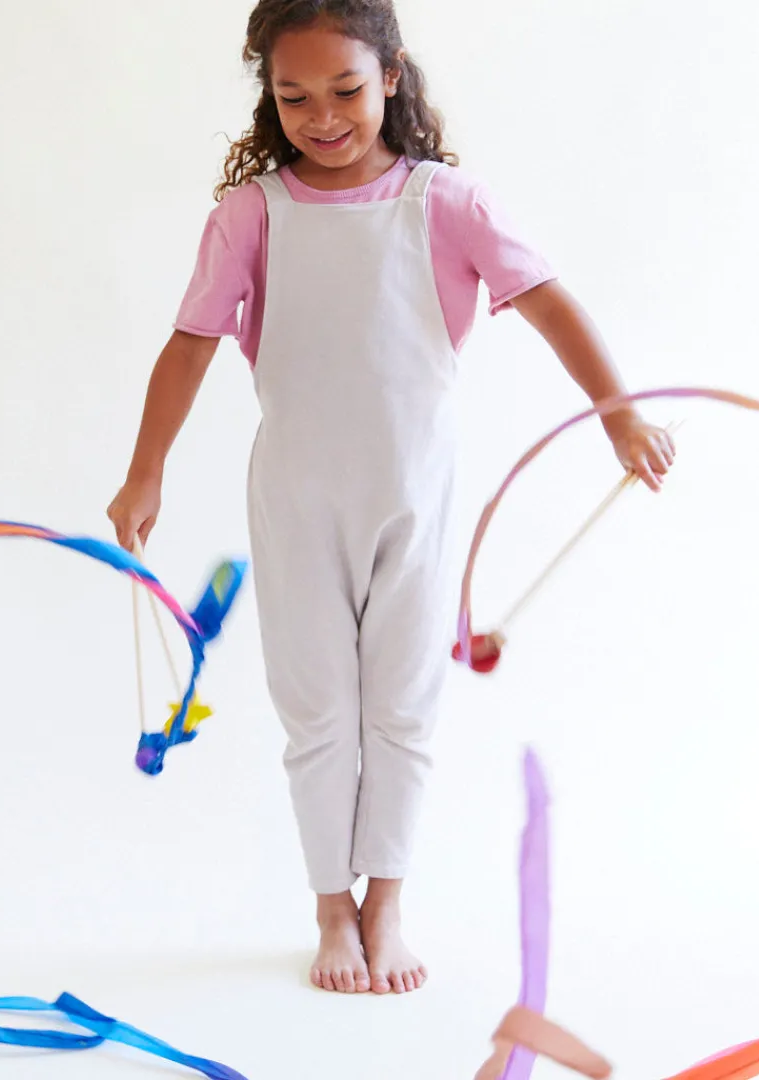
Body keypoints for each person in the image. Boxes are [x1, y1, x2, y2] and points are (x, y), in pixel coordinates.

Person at [107, 0, 675, 997]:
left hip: (416, 495)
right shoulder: (252, 214)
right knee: (319, 709)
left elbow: (549, 302)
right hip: (296, 499)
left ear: (393, 76)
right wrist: (145, 469)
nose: (322, 117)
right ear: (268, 96)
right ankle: (332, 905)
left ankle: (388, 901)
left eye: (346, 90)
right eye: (295, 98)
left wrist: (618, 416)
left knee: (403, 705)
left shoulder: (445, 202)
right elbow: (191, 344)